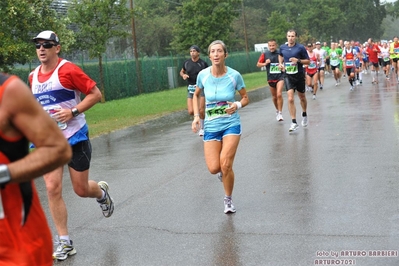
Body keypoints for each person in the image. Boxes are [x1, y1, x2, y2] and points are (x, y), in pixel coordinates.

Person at [28, 30, 114, 261]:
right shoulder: (32, 76)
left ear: (57, 48)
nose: (42, 49)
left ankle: (101, 193)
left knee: (80, 189)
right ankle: (65, 242)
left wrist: (72, 111)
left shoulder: (69, 70)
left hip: (75, 136)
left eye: (47, 44)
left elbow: (95, 94)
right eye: (38, 45)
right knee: (52, 187)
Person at [0, 73, 72, 266]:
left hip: (17, 246)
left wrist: (3, 174)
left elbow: (58, 149)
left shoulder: (9, 91)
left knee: (78, 188)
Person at [191, 40, 249, 214]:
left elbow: (245, 97)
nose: (216, 54)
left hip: (231, 123)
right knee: (214, 168)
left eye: (219, 51)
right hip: (211, 125)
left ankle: (228, 200)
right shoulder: (203, 75)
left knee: (225, 165)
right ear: (209, 56)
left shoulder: (234, 75)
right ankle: (223, 173)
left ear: (225, 54)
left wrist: (237, 105)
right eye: (213, 52)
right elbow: (196, 95)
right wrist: (196, 117)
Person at [278, 29, 310, 133]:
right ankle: (294, 122)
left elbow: (308, 61)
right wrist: (280, 63)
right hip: (288, 75)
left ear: (295, 37)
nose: (290, 38)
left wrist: (298, 61)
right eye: (289, 36)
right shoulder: (283, 47)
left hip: (299, 75)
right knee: (290, 99)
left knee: (302, 97)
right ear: (286, 37)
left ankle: (304, 113)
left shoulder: (300, 48)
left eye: (292, 36)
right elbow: (280, 55)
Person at [180, 45, 209, 136]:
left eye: (194, 51)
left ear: (198, 53)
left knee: (200, 110)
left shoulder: (203, 64)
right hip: (191, 88)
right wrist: (183, 75)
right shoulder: (186, 63)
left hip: (201, 89)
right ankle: (200, 119)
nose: (192, 53)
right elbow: (182, 71)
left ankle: (203, 128)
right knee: (191, 111)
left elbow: (209, 73)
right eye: (191, 51)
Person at [256, 39, 284, 121]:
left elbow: (285, 61)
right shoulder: (265, 54)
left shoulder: (280, 53)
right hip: (271, 78)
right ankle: (277, 110)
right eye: (270, 46)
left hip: (280, 76)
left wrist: (282, 65)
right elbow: (258, 64)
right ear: (268, 46)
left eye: (273, 45)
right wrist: (265, 63)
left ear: (276, 45)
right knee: (274, 97)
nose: (272, 47)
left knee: (279, 94)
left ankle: (280, 113)